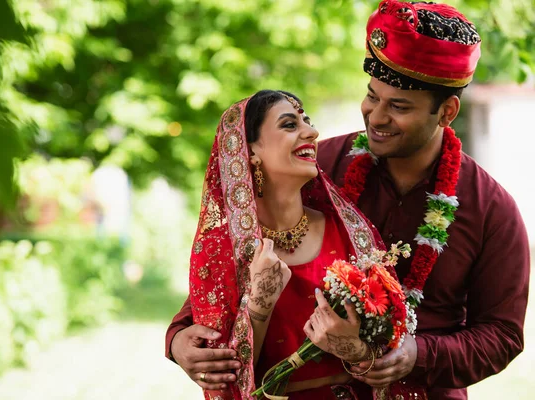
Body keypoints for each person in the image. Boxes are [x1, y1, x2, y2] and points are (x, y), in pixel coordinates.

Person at [166, 1, 530, 399]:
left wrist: (415, 354)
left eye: (399, 106)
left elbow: (502, 336)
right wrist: (180, 338)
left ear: (447, 111)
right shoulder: (318, 168)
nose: (375, 116)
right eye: (372, 96)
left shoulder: (491, 208)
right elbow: (241, 260)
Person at [186, 88, 413, 400]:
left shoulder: (348, 229)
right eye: (290, 125)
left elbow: (386, 347)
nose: (312, 132)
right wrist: (259, 304)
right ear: (249, 149)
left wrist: (356, 348)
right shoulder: (220, 247)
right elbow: (223, 379)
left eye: (307, 121)